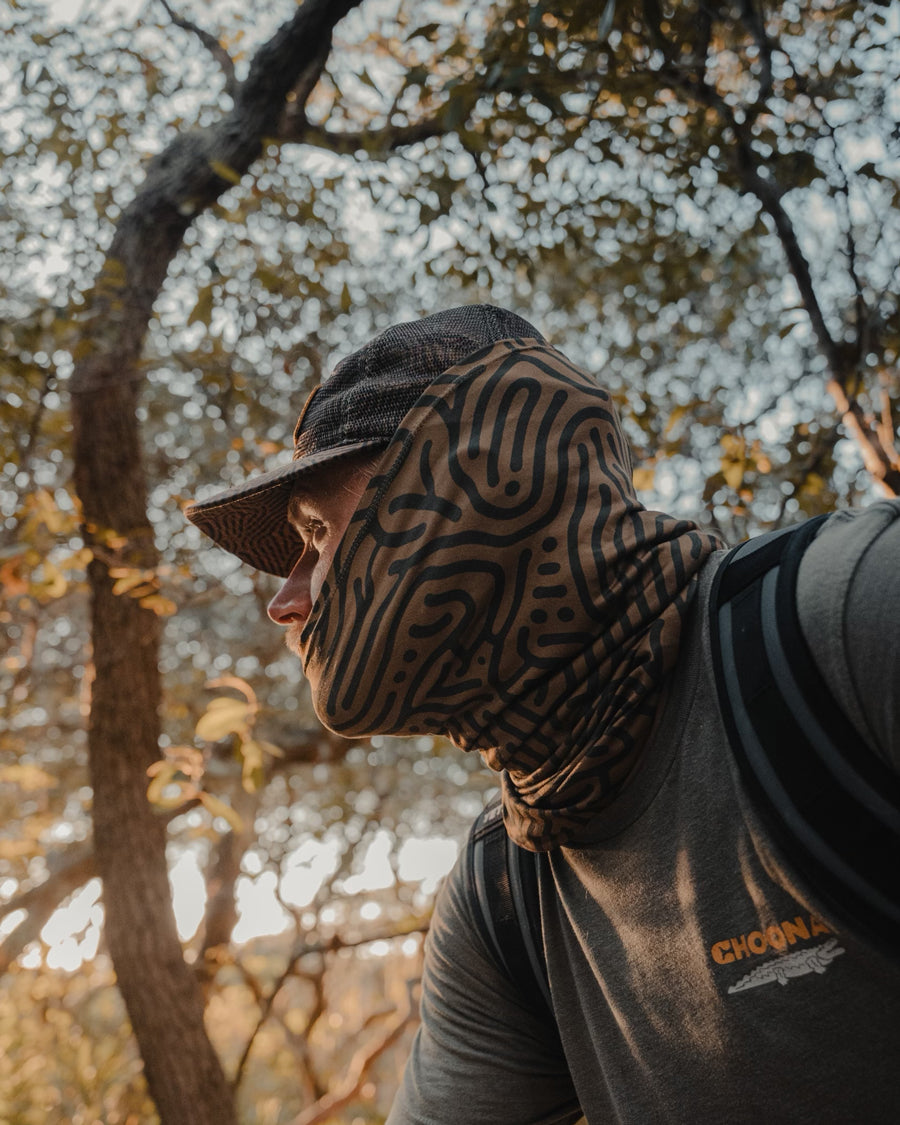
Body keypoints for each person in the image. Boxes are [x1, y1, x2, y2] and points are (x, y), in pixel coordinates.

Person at [187, 305, 900, 1124]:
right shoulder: (506, 894)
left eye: (316, 532)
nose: (286, 600)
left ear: (473, 482)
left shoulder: (844, 622)